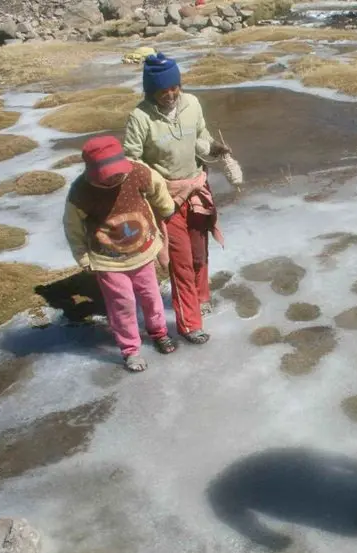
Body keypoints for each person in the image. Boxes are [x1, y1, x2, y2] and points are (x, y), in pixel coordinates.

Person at [123, 52, 230, 345]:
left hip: (196, 189)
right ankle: (189, 324)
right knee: (180, 261)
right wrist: (157, 185)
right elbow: (131, 160)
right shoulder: (140, 117)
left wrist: (214, 149)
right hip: (164, 199)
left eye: (174, 87)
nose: (170, 94)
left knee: (198, 252)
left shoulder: (192, 104)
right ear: (150, 90)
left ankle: (201, 296)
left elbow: (200, 138)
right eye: (162, 90)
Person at [63, 135, 178, 372]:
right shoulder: (81, 192)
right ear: (93, 172)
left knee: (151, 295)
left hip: (143, 251)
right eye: (108, 174)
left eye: (118, 171)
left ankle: (159, 332)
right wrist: (83, 257)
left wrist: (166, 208)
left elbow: (157, 188)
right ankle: (130, 350)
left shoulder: (139, 172)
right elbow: (72, 227)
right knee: (122, 304)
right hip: (108, 260)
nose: (115, 177)